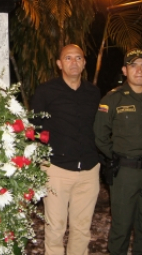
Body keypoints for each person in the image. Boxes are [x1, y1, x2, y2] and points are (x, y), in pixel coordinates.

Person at [94, 49, 142, 255]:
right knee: (122, 225)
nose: (139, 70)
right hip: (126, 173)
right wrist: (118, 156)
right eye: (133, 65)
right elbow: (100, 136)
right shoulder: (113, 99)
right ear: (124, 70)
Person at [31, 44, 101, 255]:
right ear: (60, 64)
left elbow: (100, 127)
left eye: (78, 58)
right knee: (55, 229)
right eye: (68, 58)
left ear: (84, 62)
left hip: (89, 170)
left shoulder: (94, 92)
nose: (73, 62)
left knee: (82, 229)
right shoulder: (46, 92)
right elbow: (34, 128)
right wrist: (41, 160)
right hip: (57, 170)